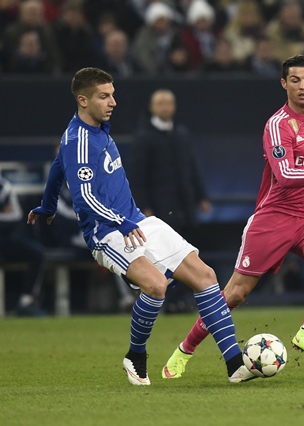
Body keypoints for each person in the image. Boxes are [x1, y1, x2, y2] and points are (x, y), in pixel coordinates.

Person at [26, 67, 253, 386]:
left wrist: (48, 204)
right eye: (104, 96)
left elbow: (56, 167)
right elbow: (86, 197)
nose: (113, 102)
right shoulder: (78, 140)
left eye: (113, 94)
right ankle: (136, 355)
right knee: (156, 285)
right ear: (83, 100)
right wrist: (120, 220)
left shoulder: (97, 129)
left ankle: (234, 363)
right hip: (107, 234)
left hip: (137, 221)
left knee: (205, 276)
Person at [162, 54, 304, 379]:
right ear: (284, 84)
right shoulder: (277, 125)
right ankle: (185, 350)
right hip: (274, 217)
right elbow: (286, 175)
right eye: (295, 80)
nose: (302, 86)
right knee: (235, 293)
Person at [128, 88, 212, 313]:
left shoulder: (182, 134)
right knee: (166, 256)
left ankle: (184, 299)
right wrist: (144, 207)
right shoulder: (144, 137)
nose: (165, 107)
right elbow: (137, 177)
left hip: (184, 207)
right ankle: (168, 300)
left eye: (168, 103)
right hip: (160, 209)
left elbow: (193, 168)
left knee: (188, 252)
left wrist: (201, 196)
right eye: (160, 103)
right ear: (152, 108)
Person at [0, 176, 47, 316]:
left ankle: (26, 302)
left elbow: (15, 216)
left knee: (37, 253)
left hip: (4, 240)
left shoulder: (4, 186)